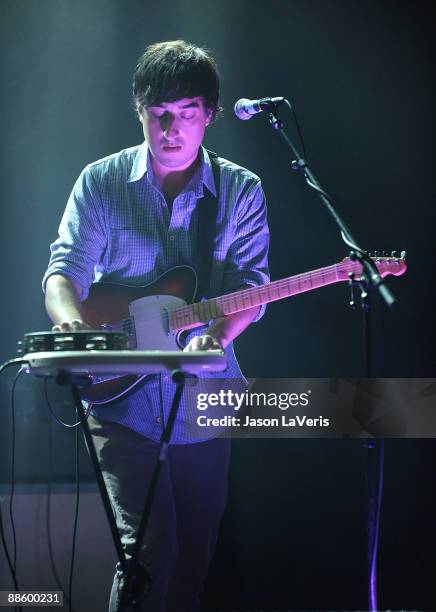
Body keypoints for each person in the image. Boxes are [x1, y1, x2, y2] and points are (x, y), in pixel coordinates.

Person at [43, 40, 269, 611]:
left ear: (210, 115)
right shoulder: (101, 181)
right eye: (157, 113)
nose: (170, 128)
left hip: (207, 392)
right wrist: (72, 325)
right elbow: (64, 270)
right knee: (147, 548)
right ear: (139, 111)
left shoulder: (240, 190)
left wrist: (215, 336)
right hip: (118, 395)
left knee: (196, 548)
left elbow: (250, 287)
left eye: (186, 114)